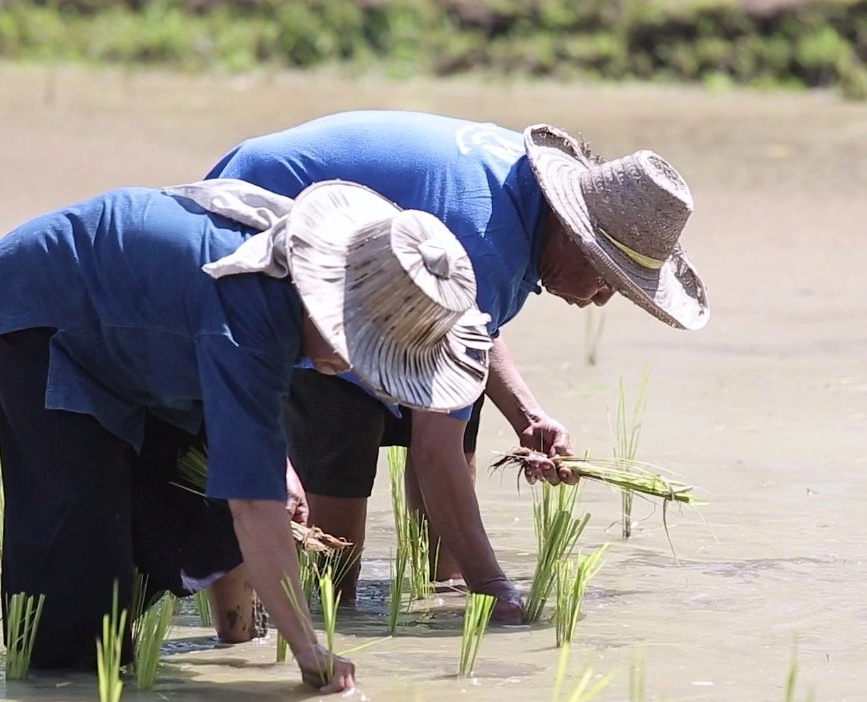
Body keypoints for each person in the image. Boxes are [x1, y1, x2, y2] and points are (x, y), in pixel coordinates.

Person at [0, 177, 492, 691]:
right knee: (79, 542)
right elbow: (254, 508)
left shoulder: (278, 304)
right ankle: (58, 689)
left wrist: (274, 464)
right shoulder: (250, 318)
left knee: (184, 513)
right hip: (48, 308)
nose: (344, 365)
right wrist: (311, 654)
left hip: (151, 335)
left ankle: (128, 657)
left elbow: (248, 443)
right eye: (354, 346)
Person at [204, 111, 710, 624]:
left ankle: (437, 597)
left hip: (379, 277)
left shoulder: (522, 209)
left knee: (443, 560)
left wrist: (527, 414)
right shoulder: (485, 236)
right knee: (336, 570)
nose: (602, 300)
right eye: (608, 279)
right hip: (282, 242)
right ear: (575, 236)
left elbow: (471, 328)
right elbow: (433, 448)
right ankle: (315, 621)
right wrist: (494, 587)